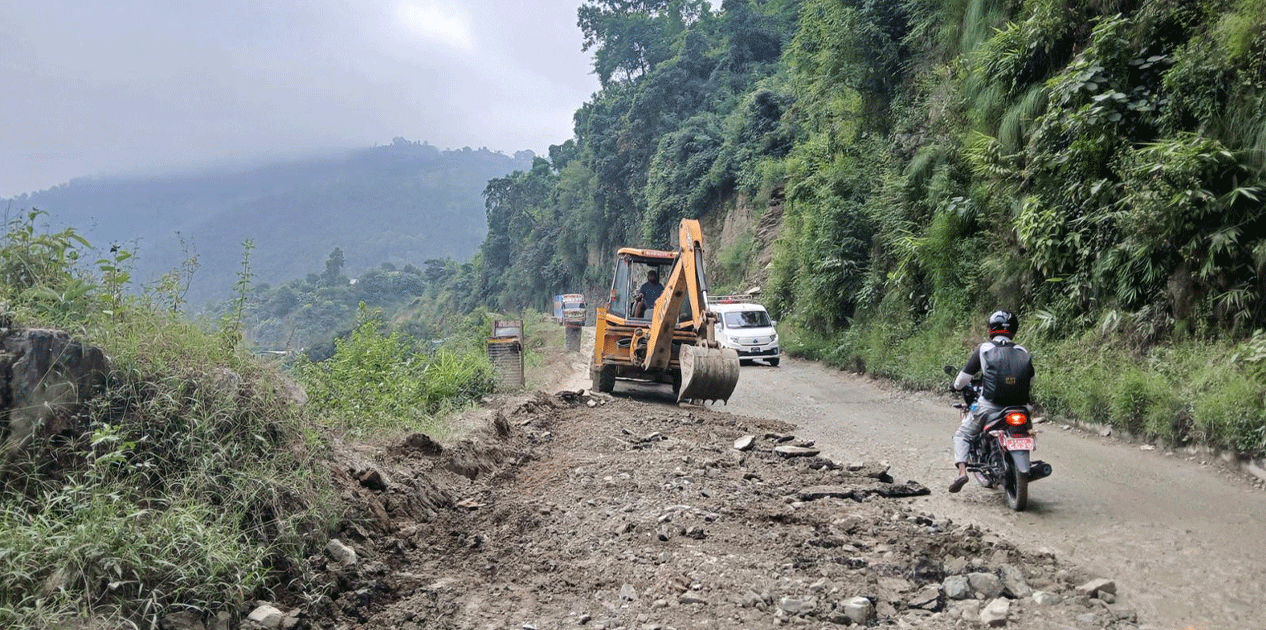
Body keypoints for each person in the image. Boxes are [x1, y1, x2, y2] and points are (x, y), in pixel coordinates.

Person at [948, 310, 1035, 493]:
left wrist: (955, 387)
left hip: (989, 407)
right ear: (1014, 330)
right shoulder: (1022, 351)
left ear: (991, 329)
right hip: (1021, 408)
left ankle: (962, 473)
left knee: (962, 435)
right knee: (1026, 431)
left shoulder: (984, 349)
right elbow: (1031, 379)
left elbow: (963, 379)